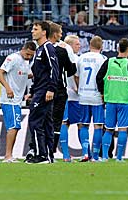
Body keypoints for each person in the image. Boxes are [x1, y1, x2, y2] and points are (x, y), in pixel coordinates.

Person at [97, 38, 128, 162]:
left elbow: (99, 78)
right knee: (123, 129)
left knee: (109, 129)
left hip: (110, 100)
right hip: (124, 101)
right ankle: (119, 157)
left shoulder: (108, 62)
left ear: (117, 49)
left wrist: (102, 92)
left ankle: (104, 156)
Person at [0, 41, 36, 163]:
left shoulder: (26, 61)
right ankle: (7, 156)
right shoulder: (12, 58)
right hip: (10, 99)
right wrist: (8, 88)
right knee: (13, 126)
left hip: (17, 100)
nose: (29, 57)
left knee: (14, 127)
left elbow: (26, 75)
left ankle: (9, 155)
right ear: (23, 49)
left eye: (31, 55)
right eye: (28, 54)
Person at [26, 21, 59, 164]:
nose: (32, 31)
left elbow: (54, 69)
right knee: (46, 123)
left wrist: (51, 88)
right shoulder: (39, 50)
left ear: (44, 32)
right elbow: (39, 75)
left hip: (45, 91)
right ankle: (49, 155)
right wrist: (32, 91)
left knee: (34, 121)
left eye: (35, 29)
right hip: (39, 90)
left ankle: (40, 155)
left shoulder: (48, 48)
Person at [48, 22, 77, 162]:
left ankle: (39, 150)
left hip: (44, 89)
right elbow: (72, 70)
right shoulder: (64, 49)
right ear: (55, 34)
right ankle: (58, 153)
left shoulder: (41, 48)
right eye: (60, 32)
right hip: (62, 90)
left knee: (44, 121)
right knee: (60, 122)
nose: (61, 35)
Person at [76, 36, 107, 161]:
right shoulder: (103, 59)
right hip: (97, 96)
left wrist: (80, 88)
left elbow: (76, 76)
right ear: (101, 47)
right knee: (98, 126)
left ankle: (85, 154)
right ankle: (95, 155)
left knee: (84, 125)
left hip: (83, 95)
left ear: (90, 45)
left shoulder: (81, 58)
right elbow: (105, 78)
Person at [59, 35, 81, 162]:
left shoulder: (59, 56)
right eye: (77, 44)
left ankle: (66, 155)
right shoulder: (75, 59)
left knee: (64, 124)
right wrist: (78, 88)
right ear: (70, 45)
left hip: (63, 94)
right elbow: (76, 76)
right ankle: (85, 153)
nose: (79, 46)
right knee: (80, 124)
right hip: (74, 96)